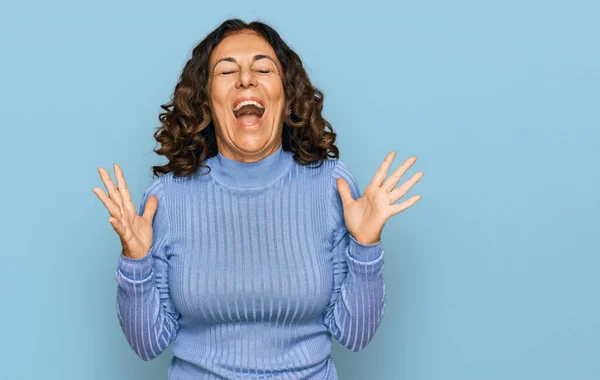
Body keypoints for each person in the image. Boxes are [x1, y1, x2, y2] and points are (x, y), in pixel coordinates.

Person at [93, 18, 423, 380]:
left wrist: (365, 246)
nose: (246, 79)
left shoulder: (332, 187)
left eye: (263, 68)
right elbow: (146, 345)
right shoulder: (167, 198)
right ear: (206, 100)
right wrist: (135, 262)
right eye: (226, 71)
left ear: (286, 96)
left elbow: (355, 336)